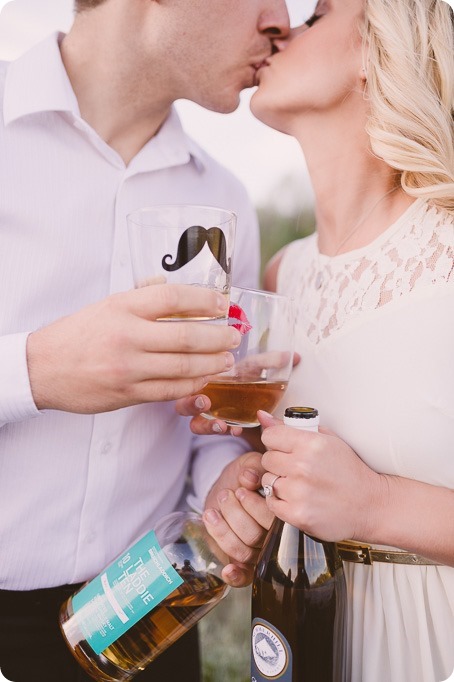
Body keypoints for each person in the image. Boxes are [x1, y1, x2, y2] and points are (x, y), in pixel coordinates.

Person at [0, 1, 290, 680]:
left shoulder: (226, 199)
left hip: (150, 626)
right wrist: (35, 369)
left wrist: (221, 475)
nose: (283, 20)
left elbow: (209, 416)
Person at [188, 0, 454, 680]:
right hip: (306, 648)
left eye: (317, 15)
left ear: (377, 51)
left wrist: (378, 505)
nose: (281, 26)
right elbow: (290, 466)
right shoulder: (283, 276)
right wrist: (243, 483)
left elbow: (361, 488)